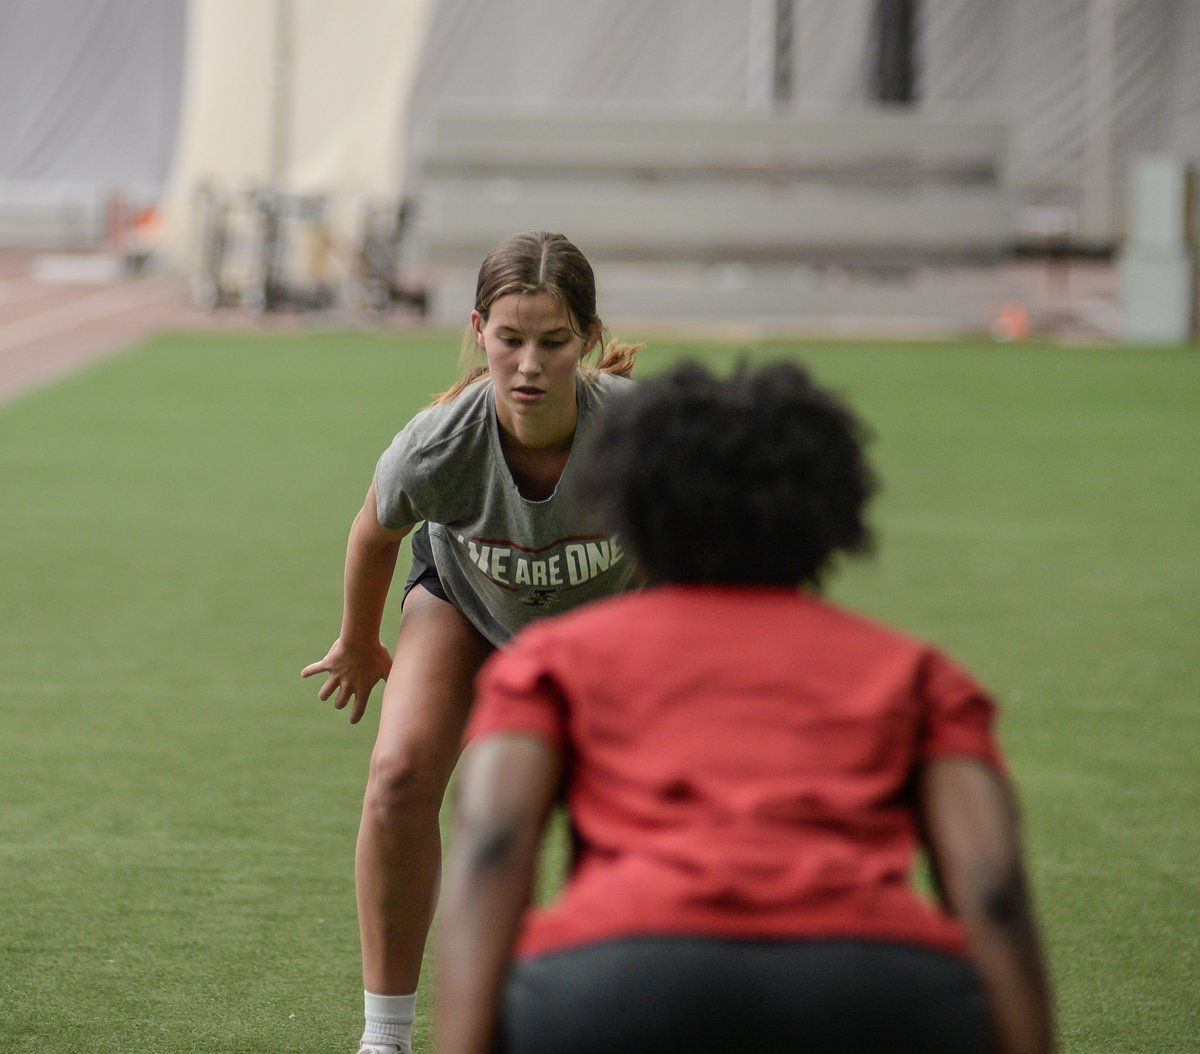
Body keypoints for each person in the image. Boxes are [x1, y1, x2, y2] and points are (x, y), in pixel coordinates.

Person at [438, 360, 1054, 1054]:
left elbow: (491, 841)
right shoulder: (918, 673)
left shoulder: (552, 661)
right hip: (872, 983)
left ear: (632, 507)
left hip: (619, 979)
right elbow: (992, 884)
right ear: (828, 514)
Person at [301, 230, 643, 1054]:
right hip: (468, 602)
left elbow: (714, 538)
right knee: (397, 776)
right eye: (510, 339)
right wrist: (359, 643)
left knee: (654, 801)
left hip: (611, 623)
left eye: (554, 343)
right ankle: (385, 1037)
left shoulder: (640, 434)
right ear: (479, 330)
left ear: (588, 342)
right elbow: (373, 534)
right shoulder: (440, 443)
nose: (529, 364)